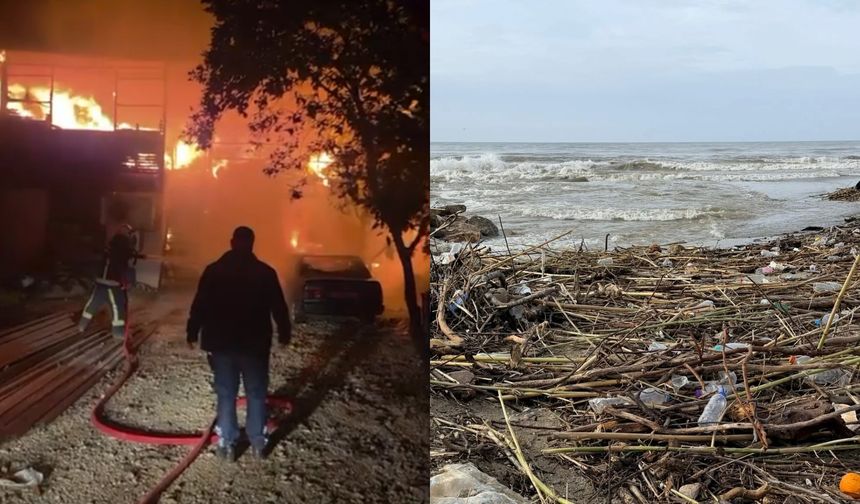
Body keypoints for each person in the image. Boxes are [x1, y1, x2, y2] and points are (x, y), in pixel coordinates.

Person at [186, 226, 291, 461]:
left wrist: (192, 332)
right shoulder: (265, 272)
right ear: (252, 244)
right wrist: (284, 334)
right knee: (256, 393)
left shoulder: (214, 271)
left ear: (232, 242)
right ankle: (258, 444)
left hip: (222, 346)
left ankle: (226, 445)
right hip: (254, 346)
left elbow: (200, 304)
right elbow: (279, 307)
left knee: (226, 394)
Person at [78, 224, 142, 338]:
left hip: (100, 284)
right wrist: (130, 283)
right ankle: (118, 333)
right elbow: (127, 270)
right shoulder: (124, 252)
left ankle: (81, 326)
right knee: (118, 308)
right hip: (114, 287)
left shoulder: (108, 250)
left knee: (91, 305)